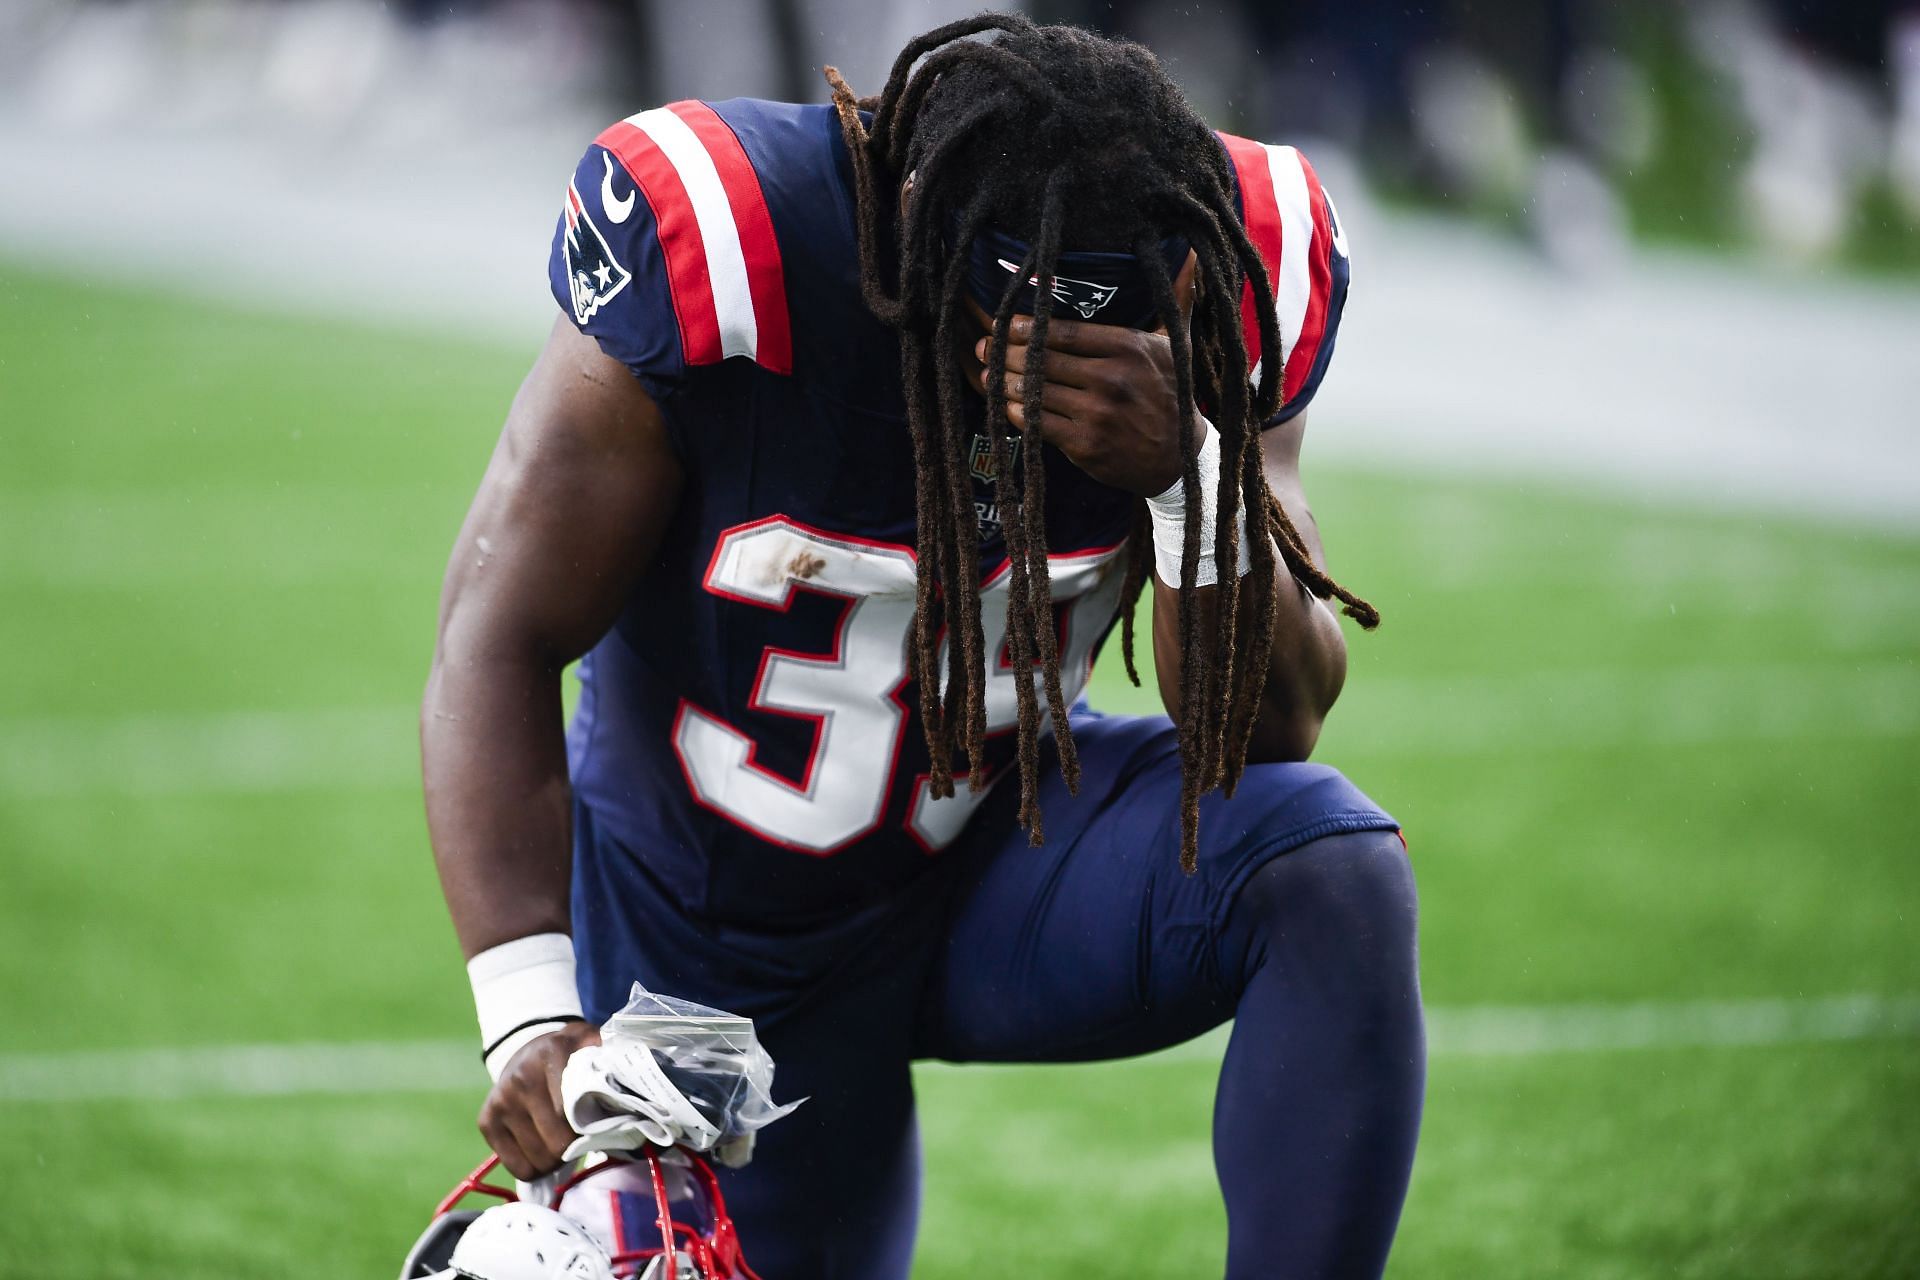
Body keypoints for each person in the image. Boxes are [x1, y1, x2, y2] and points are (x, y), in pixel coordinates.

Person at [422, 14, 1424, 1278]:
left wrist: (1193, 472)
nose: (1040, 372)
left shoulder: (1233, 256)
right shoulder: (735, 238)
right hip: (708, 928)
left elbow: (1271, 727)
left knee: (1330, 871)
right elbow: (498, 631)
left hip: (1002, 857)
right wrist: (527, 1009)